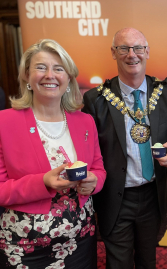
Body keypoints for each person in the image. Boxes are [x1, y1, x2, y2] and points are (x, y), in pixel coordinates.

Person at [0, 39, 106, 268]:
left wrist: (94, 182)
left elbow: (98, 168)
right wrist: (43, 182)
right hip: (25, 245)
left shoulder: (85, 121)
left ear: (68, 78)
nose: (50, 75)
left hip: (80, 240)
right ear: (27, 76)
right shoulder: (4, 122)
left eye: (59, 68)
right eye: (41, 67)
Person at [82, 27, 167, 269]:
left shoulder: (165, 92)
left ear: (147, 51)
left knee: (148, 261)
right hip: (115, 196)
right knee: (119, 264)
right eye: (124, 48)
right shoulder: (96, 99)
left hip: (153, 194)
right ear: (113, 53)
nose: (132, 54)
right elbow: (89, 150)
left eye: (138, 48)